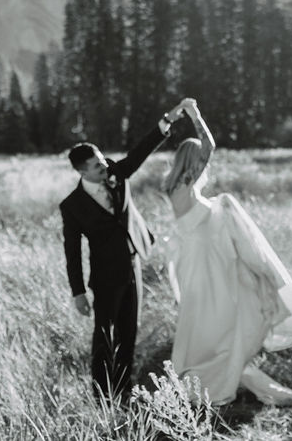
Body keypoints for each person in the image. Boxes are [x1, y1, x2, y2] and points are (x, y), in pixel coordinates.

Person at [162, 99, 292, 406]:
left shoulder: (173, 187)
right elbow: (209, 144)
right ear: (194, 163)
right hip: (208, 265)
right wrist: (195, 115)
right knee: (222, 318)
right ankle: (218, 376)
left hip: (194, 264)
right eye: (201, 162)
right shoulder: (186, 184)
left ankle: (223, 372)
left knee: (206, 322)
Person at [61, 98, 192, 401]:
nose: (104, 166)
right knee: (104, 339)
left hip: (133, 266)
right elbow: (72, 252)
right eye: (96, 166)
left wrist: (167, 121)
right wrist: (78, 292)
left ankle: (124, 392)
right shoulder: (72, 207)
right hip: (105, 279)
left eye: (102, 160)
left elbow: (140, 152)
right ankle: (101, 396)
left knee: (128, 335)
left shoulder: (117, 173)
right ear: (82, 172)